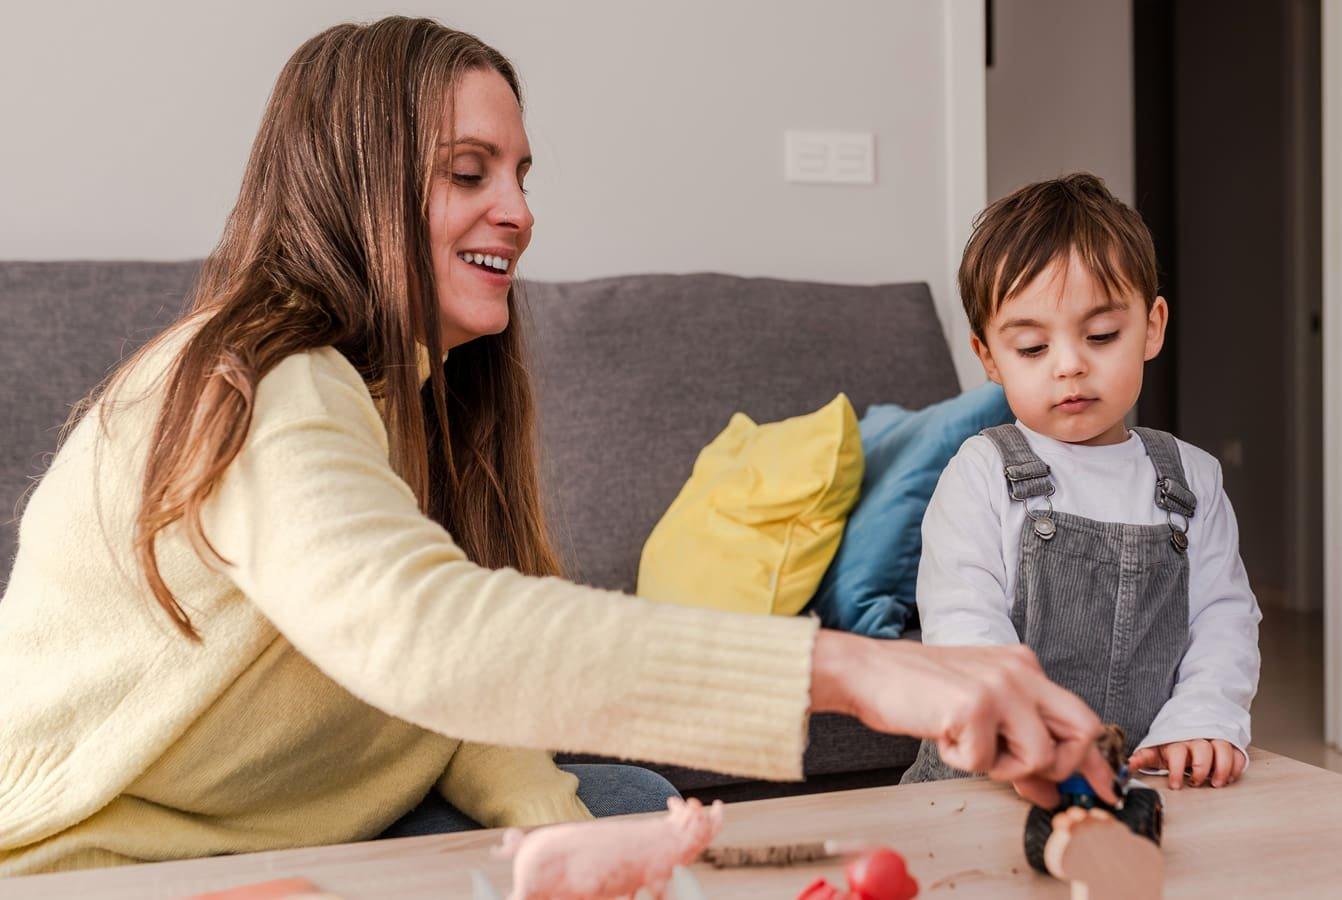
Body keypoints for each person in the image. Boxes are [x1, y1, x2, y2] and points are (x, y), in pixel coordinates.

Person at [0, 19, 1114, 877]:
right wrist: (869, 669)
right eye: (467, 171)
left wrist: (556, 837)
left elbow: (443, 709)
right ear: (355, 183)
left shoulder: (410, 399)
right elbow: (432, 642)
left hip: (284, 816)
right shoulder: (261, 383)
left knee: (618, 801)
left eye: (522, 175)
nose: (517, 211)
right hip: (102, 861)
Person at [903, 174, 1261, 791]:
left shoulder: (1191, 479)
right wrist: (1020, 730)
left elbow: (1224, 619)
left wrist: (1202, 719)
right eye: (1032, 347)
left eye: (1100, 336)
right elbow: (962, 623)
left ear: (1151, 327)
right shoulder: (981, 473)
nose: (1069, 364)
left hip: (1141, 779)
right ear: (989, 357)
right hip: (988, 781)